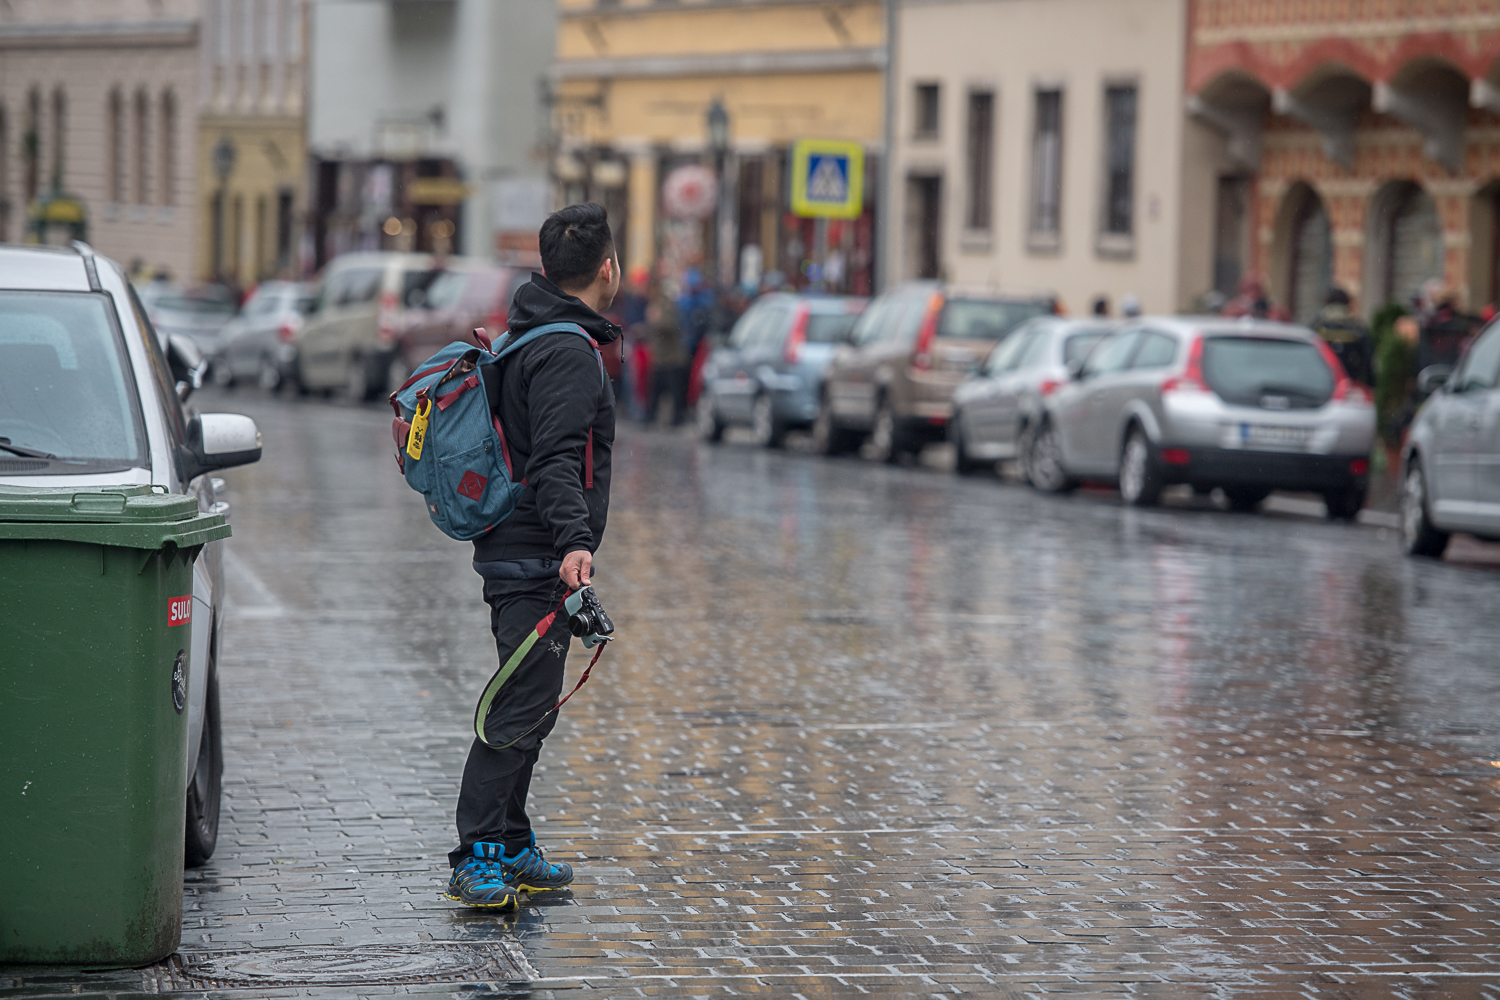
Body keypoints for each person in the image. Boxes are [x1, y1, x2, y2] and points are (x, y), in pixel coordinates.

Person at [445, 203, 621, 911]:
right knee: (516, 704)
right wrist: (574, 544)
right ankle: (477, 853)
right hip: (534, 555)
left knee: (534, 704)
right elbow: (555, 462)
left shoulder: (534, 335)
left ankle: (512, 843)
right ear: (607, 268)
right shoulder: (566, 352)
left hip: (519, 548)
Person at [1310, 287, 1375, 386]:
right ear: (1347, 303)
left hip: (1320, 383)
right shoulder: (1356, 327)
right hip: (1350, 384)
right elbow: (1368, 360)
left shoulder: (1317, 325)